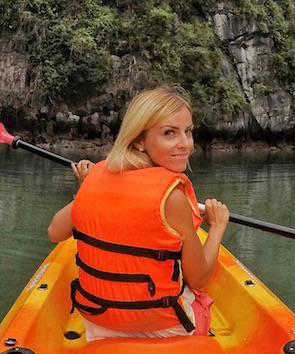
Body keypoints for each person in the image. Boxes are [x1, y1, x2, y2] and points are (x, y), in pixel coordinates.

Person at [47, 85, 230, 340]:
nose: (185, 144)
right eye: (169, 133)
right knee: (201, 297)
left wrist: (87, 189)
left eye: (187, 131)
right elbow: (198, 277)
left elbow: (55, 232)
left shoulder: (95, 176)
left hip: (99, 321)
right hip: (163, 328)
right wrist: (218, 225)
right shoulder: (173, 198)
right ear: (139, 141)